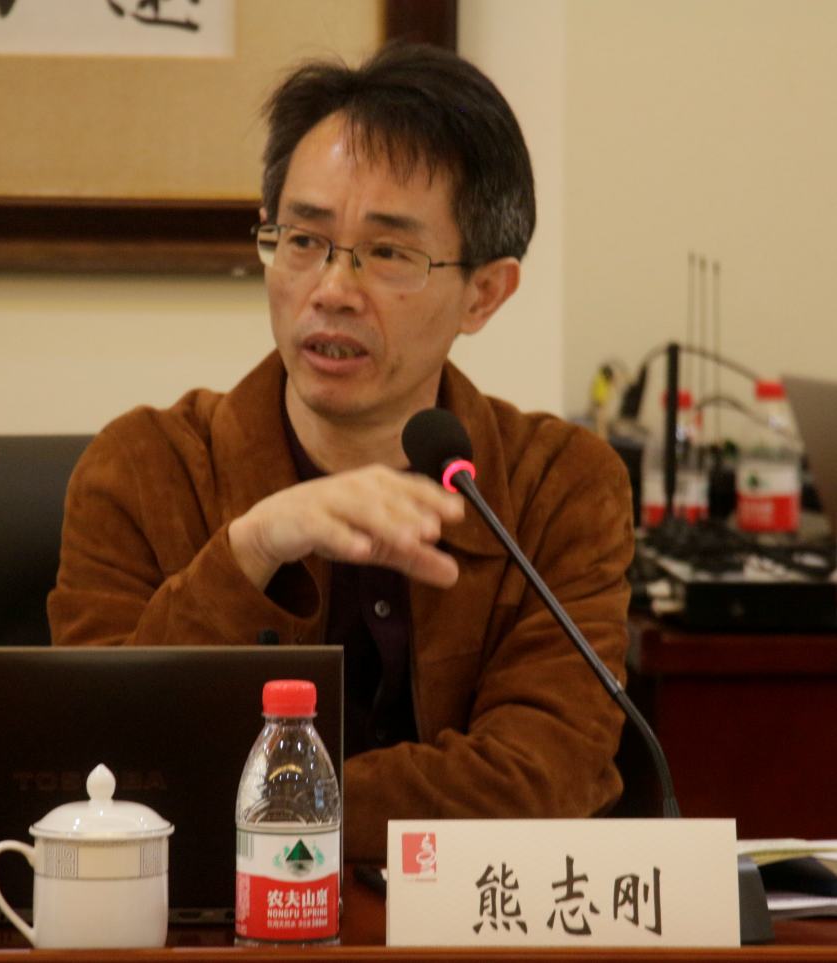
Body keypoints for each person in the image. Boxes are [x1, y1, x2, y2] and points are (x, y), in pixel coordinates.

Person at [49, 43, 634, 861]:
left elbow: (544, 781)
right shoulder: (143, 469)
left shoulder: (560, 486)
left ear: (484, 293)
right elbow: (102, 770)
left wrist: (252, 800)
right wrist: (253, 546)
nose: (330, 289)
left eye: (388, 253)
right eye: (303, 240)